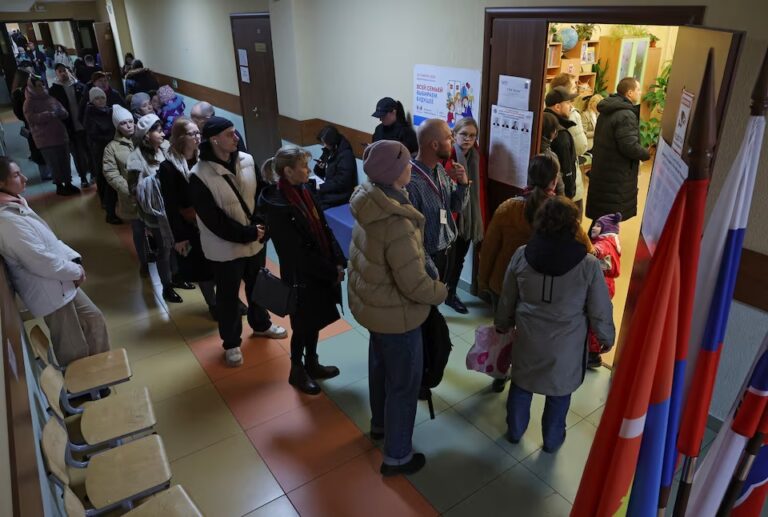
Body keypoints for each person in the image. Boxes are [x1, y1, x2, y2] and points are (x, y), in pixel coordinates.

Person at [348, 139, 447, 476]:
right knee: (404, 385)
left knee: (381, 369)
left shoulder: (369, 202)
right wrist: (440, 292)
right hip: (397, 315)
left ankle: (380, 425)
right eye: (406, 165)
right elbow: (414, 284)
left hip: (375, 308)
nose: (411, 169)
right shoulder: (397, 221)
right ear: (394, 173)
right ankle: (397, 456)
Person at [495, 196, 614, 453]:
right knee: (559, 394)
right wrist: (606, 336)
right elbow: (600, 309)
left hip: (528, 340)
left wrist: (502, 323)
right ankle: (551, 441)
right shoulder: (588, 265)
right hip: (566, 348)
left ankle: (515, 431)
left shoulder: (522, 255)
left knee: (521, 385)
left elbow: (507, 297)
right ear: (573, 225)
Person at [479, 154, 595, 392]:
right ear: (554, 181)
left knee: (504, 332)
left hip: (503, 284)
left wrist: (483, 281)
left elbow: (489, 249)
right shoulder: (564, 215)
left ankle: (500, 372)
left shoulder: (507, 208)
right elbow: (587, 250)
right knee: (530, 336)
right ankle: (527, 377)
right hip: (540, 290)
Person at [189, 116, 286, 367]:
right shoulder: (199, 174)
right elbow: (212, 219)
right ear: (214, 139)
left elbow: (260, 194)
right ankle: (231, 343)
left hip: (255, 241)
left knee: (257, 287)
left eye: (235, 133)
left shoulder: (247, 160)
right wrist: (247, 233)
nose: (236, 137)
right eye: (230, 134)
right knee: (229, 297)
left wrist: (261, 225)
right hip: (224, 248)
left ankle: (261, 324)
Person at [0, 157, 110, 366]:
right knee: (72, 346)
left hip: (60, 279)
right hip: (48, 289)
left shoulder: (16, 203)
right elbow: (39, 260)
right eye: (15, 175)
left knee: (93, 319)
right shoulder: (6, 221)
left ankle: (101, 372)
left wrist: (74, 262)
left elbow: (50, 241)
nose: (24, 179)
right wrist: (74, 270)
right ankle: (85, 391)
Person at [258, 145, 346, 393]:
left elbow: (324, 229)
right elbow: (297, 253)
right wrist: (330, 271)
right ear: (288, 171)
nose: (309, 170)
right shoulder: (278, 205)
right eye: (304, 166)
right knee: (302, 325)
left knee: (314, 321)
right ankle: (297, 370)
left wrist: (338, 260)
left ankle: (312, 362)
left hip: (318, 271)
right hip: (300, 276)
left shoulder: (304, 189)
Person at [158, 117, 218, 317]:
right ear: (180, 138)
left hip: (211, 218)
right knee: (202, 267)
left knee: (220, 263)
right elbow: (171, 205)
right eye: (192, 134)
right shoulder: (168, 167)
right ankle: (213, 305)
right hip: (190, 224)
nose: (197, 137)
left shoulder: (204, 158)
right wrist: (179, 237)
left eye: (198, 133)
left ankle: (228, 300)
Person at [126, 113, 182, 303]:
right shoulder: (136, 158)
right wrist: (156, 182)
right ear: (146, 135)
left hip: (172, 207)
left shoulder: (166, 148)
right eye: (157, 131)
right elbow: (134, 189)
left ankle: (177, 277)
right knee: (164, 249)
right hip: (156, 213)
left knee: (176, 244)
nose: (162, 134)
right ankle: (166, 286)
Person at [407, 118, 469, 280]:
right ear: (434, 145)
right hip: (429, 260)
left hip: (447, 250)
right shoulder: (411, 184)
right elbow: (411, 236)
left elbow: (456, 206)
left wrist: (463, 185)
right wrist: (431, 270)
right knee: (428, 304)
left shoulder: (439, 169)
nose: (453, 141)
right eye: (449, 138)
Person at [586, 77, 651, 221]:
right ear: (629, 93)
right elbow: (629, 146)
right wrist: (647, 153)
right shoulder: (626, 115)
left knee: (601, 219)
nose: (640, 93)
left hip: (605, 170)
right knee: (609, 221)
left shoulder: (609, 109)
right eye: (638, 90)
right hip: (616, 176)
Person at [441, 117, 487, 314]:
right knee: (444, 260)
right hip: (449, 218)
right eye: (464, 134)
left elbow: (480, 191)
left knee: (459, 259)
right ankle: (437, 293)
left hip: (468, 219)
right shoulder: (446, 156)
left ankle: (450, 294)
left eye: (472, 135)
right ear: (454, 135)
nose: (468, 139)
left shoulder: (477, 157)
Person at [103, 106, 151, 275]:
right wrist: (130, 189)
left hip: (151, 193)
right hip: (132, 198)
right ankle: (143, 261)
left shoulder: (146, 138)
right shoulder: (112, 148)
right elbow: (111, 173)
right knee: (138, 230)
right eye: (124, 123)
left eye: (131, 121)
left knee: (157, 228)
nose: (129, 126)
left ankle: (156, 255)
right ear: (117, 126)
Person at [23, 75, 79, 196]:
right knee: (54, 163)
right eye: (38, 86)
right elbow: (31, 119)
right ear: (32, 87)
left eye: (42, 84)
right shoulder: (29, 102)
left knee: (65, 160)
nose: (41, 87)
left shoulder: (49, 97)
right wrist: (49, 114)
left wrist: (62, 113)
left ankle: (68, 183)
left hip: (60, 135)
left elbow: (63, 111)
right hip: (45, 139)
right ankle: (59, 185)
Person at [550, 74, 589, 214]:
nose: (575, 90)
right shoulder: (572, 114)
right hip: (569, 177)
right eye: (573, 87)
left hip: (553, 182)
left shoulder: (547, 111)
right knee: (574, 218)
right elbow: (581, 147)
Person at [49, 63, 91, 188]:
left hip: (84, 125)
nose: (63, 73)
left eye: (64, 70)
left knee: (88, 151)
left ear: (69, 71)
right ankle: (83, 177)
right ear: (56, 74)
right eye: (60, 71)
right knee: (77, 154)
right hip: (68, 127)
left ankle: (94, 174)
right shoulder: (54, 91)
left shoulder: (80, 86)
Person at [83, 87, 121, 223]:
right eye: (97, 98)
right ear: (92, 101)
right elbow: (95, 136)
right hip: (101, 151)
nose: (100, 101)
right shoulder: (90, 115)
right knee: (107, 180)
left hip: (114, 149)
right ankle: (109, 212)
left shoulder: (110, 111)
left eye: (103, 98)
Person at [11, 69, 50, 182]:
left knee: (37, 146)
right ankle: (45, 172)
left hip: (30, 123)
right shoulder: (22, 92)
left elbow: (17, 112)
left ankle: (45, 171)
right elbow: (19, 111)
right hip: (33, 123)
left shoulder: (17, 92)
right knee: (39, 147)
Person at [543, 87, 578, 200]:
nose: (571, 107)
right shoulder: (560, 133)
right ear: (557, 107)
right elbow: (566, 169)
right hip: (558, 196)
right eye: (568, 103)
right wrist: (569, 194)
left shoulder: (543, 122)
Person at [312, 125, 357, 209]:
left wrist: (321, 187)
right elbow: (319, 172)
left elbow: (342, 182)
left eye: (325, 143)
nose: (324, 145)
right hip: (330, 187)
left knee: (316, 203)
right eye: (323, 143)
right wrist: (320, 168)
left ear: (332, 142)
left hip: (342, 194)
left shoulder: (346, 155)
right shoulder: (329, 150)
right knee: (310, 196)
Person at [538, 112, 565, 195]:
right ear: (552, 132)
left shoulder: (531, 147)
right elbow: (559, 187)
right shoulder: (550, 156)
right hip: (546, 201)